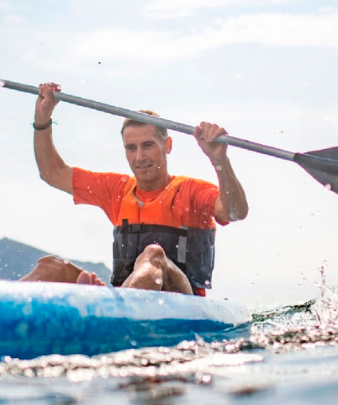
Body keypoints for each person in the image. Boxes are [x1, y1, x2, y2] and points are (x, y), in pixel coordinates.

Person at [20, 83, 248, 296]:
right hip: (127, 297)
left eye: (148, 145)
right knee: (50, 266)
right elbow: (52, 173)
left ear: (167, 146)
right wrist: (42, 118)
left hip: (183, 302)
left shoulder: (191, 191)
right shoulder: (116, 190)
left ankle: (113, 309)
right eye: (131, 148)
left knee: (153, 255)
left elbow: (235, 212)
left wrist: (219, 160)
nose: (139, 157)